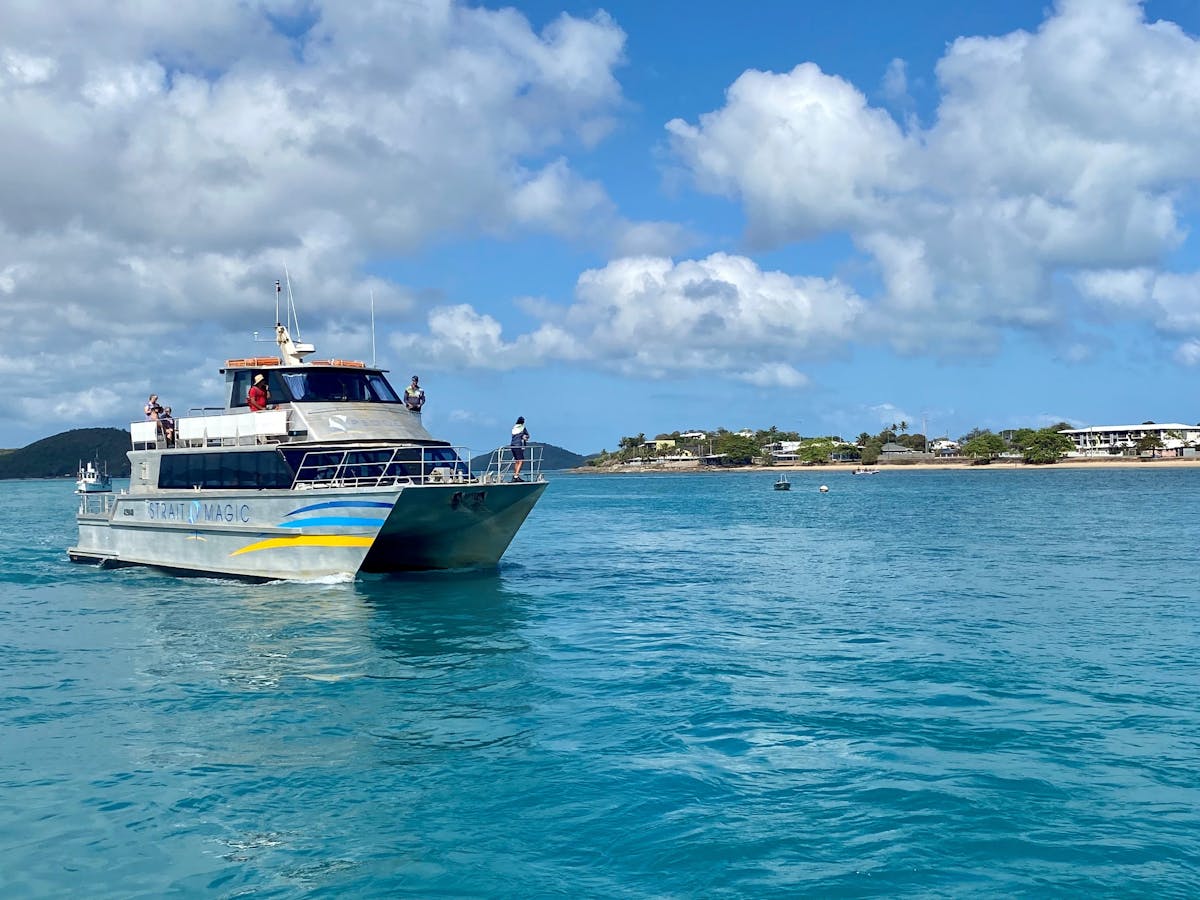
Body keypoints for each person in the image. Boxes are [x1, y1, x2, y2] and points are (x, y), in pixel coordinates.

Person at [510, 415, 530, 482]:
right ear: (523, 422)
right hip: (518, 445)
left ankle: (515, 476)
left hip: (512, 445)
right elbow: (528, 436)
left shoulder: (514, 427)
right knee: (521, 461)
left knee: (516, 461)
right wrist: (525, 438)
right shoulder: (522, 427)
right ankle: (516, 476)